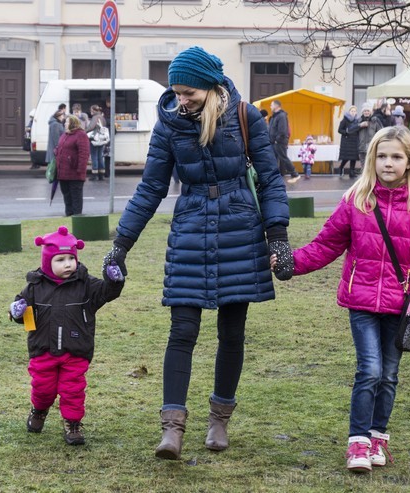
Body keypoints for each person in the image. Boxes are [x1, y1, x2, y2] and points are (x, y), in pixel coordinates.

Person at [102, 46, 292, 460]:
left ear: (209, 87)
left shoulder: (245, 118)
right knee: (182, 330)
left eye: (188, 92)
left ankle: (219, 419)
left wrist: (276, 235)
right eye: (176, 92)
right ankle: (172, 428)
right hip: (190, 227)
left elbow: (271, 180)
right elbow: (151, 187)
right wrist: (121, 244)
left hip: (239, 229)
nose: (180, 99)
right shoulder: (169, 125)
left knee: (232, 332)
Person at [273, 125, 410, 473]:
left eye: (396, 156)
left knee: (389, 375)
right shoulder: (357, 200)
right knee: (369, 370)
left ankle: (378, 436)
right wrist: (293, 263)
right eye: (381, 156)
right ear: (371, 160)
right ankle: (358, 443)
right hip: (362, 302)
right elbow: (326, 245)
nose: (388, 163)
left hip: (400, 307)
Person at [8, 226, 124, 445]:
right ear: (47, 262)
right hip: (43, 350)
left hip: (76, 350)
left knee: (73, 390)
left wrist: (114, 281)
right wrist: (16, 311)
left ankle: (73, 424)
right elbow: (23, 314)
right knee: (43, 388)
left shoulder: (86, 285)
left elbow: (107, 293)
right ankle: (39, 410)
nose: (68, 264)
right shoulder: (34, 287)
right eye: (60, 259)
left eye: (71, 258)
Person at [55, 115, 90, 216]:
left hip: (75, 173)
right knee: (66, 195)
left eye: (67, 122)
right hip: (63, 173)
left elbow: (84, 153)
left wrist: (80, 170)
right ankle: (68, 214)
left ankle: (76, 217)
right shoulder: (65, 134)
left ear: (73, 123)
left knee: (76, 197)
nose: (65, 123)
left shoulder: (81, 135)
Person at [269, 99, 301, 183]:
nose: (270, 107)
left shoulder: (281, 116)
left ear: (276, 106)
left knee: (283, 158)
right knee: (274, 159)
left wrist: (277, 140)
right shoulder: (275, 116)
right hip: (274, 142)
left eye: (271, 105)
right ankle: (274, 177)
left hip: (279, 142)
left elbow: (282, 130)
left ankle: (295, 174)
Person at [337, 105, 360, 178]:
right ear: (349, 112)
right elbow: (340, 130)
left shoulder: (357, 120)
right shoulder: (345, 120)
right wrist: (346, 132)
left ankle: (351, 172)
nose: (353, 112)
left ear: (356, 112)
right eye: (351, 111)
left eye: (354, 111)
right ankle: (341, 167)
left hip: (354, 140)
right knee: (346, 157)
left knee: (354, 157)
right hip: (347, 141)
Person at [85, 105, 107, 181]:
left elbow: (91, 127)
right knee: (100, 156)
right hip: (101, 139)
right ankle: (101, 174)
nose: (90, 112)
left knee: (94, 156)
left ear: (93, 110)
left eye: (91, 110)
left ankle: (95, 174)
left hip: (94, 139)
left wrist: (84, 131)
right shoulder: (102, 117)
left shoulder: (95, 117)